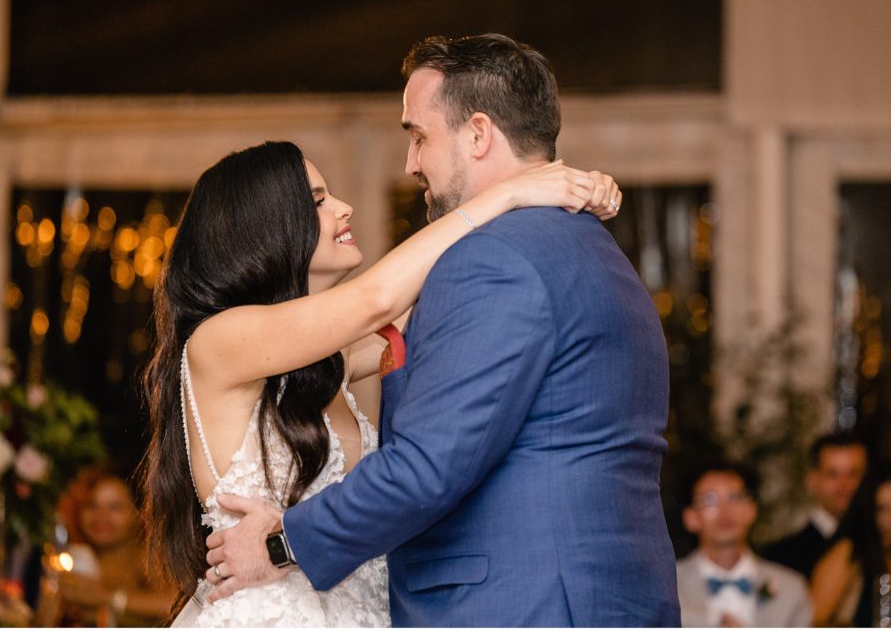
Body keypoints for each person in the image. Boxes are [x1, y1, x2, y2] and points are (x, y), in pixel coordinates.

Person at [204, 33, 679, 627]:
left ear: (478, 134)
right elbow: (373, 319)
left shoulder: (495, 260)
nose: (410, 163)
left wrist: (282, 545)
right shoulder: (593, 248)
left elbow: (427, 467)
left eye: (418, 135)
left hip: (522, 604)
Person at [140, 137, 619, 626]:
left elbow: (448, 296)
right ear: (266, 226)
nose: (344, 209)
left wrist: (568, 193)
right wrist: (510, 193)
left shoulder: (327, 361)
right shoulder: (218, 341)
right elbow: (379, 298)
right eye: (320, 201)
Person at [676, 461, 812, 627]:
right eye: (709, 499)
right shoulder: (667, 585)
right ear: (690, 517)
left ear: (751, 509)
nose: (725, 511)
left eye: (734, 497)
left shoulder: (791, 589)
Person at [34, 466, 174, 626]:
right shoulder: (72, 561)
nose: (101, 516)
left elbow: (174, 605)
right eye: (91, 505)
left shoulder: (147, 559)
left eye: (115, 507)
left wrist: (108, 597)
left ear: (139, 514)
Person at [810, 464, 891, 627]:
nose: (890, 521)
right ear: (866, 509)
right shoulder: (848, 551)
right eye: (881, 509)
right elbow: (813, 622)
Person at [764, 432, 868, 578]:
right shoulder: (784, 556)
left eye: (854, 474)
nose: (845, 485)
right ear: (812, 481)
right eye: (833, 474)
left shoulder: (876, 544)